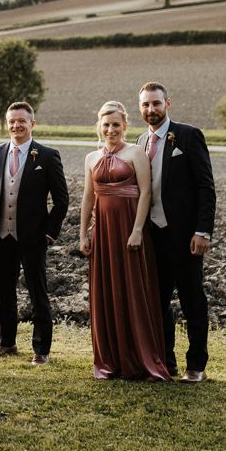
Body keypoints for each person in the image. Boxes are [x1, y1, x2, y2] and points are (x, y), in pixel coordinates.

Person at [79, 101, 169, 381]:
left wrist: (138, 229)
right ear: (99, 127)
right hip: (103, 232)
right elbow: (87, 197)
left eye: (116, 124)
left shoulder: (136, 153)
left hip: (129, 228)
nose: (111, 129)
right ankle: (110, 359)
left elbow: (145, 193)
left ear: (125, 126)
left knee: (131, 289)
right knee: (106, 290)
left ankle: (138, 358)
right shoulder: (91, 158)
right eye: (106, 125)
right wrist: (83, 233)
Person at [137, 82, 216, 383]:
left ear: (168, 103)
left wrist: (202, 231)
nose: (151, 110)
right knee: (157, 303)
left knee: (192, 300)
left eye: (156, 103)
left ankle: (195, 365)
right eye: (146, 105)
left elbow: (205, 187)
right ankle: (165, 363)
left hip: (185, 238)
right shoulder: (140, 141)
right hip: (152, 239)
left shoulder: (188, 135)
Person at [0, 101, 69, 365]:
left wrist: (49, 234)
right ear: (6, 124)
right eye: (12, 121)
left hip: (32, 238)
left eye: (21, 121)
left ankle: (41, 349)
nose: (16, 126)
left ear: (32, 123)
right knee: (3, 291)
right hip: (1, 236)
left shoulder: (47, 155)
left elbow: (61, 200)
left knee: (37, 292)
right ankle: (6, 343)